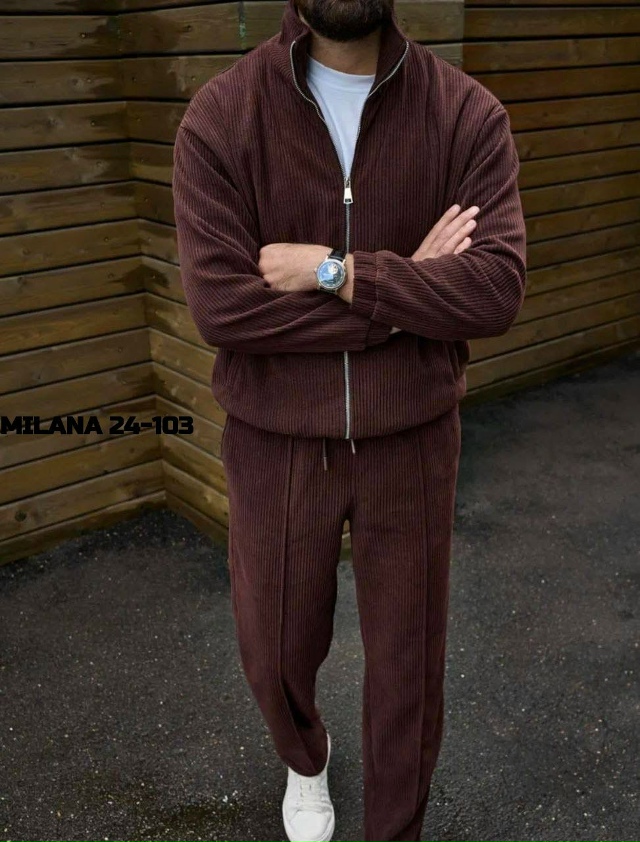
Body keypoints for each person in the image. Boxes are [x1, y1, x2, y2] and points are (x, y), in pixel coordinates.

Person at [171, 0, 527, 840]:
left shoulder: (465, 114)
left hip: (411, 439)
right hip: (277, 442)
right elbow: (225, 310)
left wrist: (337, 271)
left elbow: (493, 290)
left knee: (409, 667)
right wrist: (403, 298)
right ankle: (306, 758)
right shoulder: (223, 116)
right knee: (274, 650)